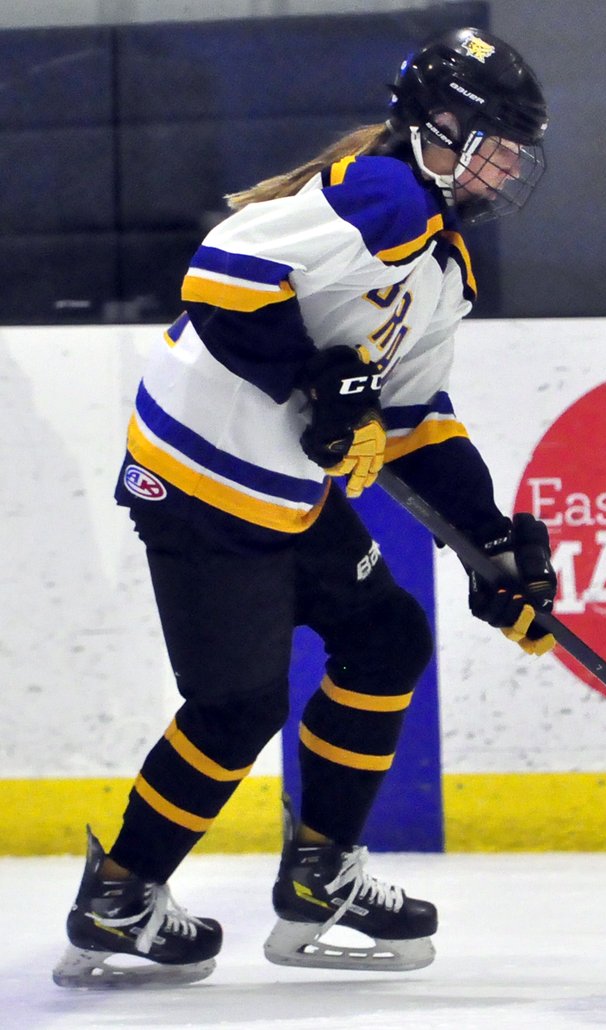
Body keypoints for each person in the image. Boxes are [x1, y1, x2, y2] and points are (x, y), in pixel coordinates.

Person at [53, 26, 558, 989]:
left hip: (280, 486)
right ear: (438, 128)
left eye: (513, 151)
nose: (505, 167)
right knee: (237, 705)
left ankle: (320, 874)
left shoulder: (442, 263)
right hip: (200, 476)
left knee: (386, 639)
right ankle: (119, 895)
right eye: (493, 143)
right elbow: (219, 279)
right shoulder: (385, 194)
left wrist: (492, 542)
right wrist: (322, 382)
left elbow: (411, 418)